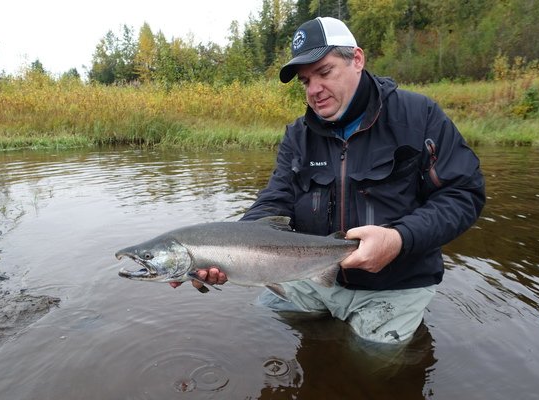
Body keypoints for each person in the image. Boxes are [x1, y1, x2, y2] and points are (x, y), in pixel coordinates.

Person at [171, 17, 485, 344]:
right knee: (263, 328)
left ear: (358, 60)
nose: (314, 90)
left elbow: (462, 195)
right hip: (308, 272)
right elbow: (276, 198)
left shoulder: (419, 117)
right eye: (305, 81)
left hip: (395, 283)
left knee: (374, 365)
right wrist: (232, 247)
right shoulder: (298, 135)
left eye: (324, 72)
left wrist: (400, 239)